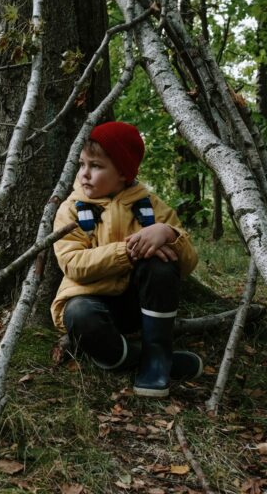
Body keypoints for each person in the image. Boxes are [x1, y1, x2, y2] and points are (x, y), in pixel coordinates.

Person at [51, 121, 202, 397]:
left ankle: (157, 355)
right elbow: (72, 263)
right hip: (90, 302)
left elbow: (188, 263)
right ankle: (134, 359)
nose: (85, 174)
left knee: (161, 263)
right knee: (80, 315)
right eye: (82, 164)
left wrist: (168, 233)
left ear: (123, 172)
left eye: (96, 166)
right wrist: (128, 252)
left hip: (137, 306)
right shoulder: (72, 209)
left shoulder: (150, 206)